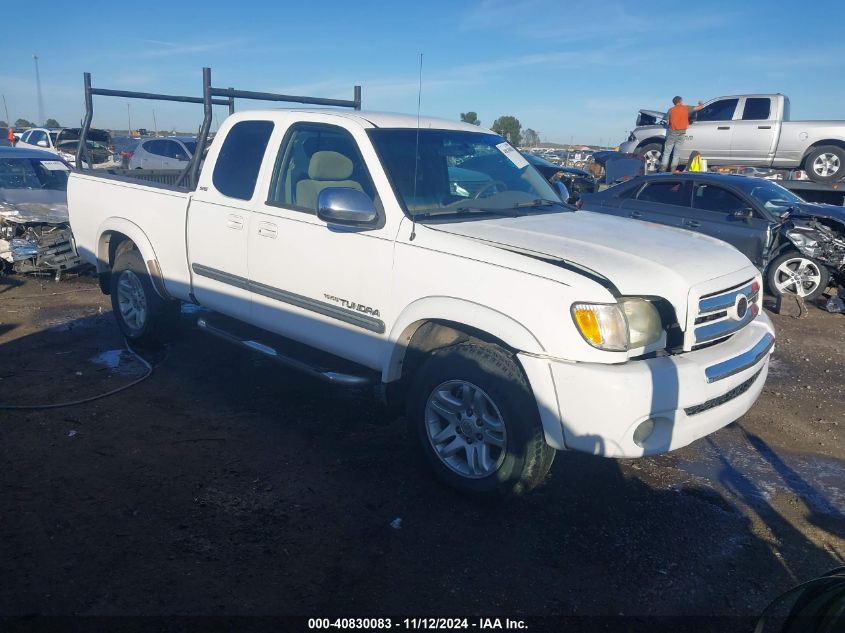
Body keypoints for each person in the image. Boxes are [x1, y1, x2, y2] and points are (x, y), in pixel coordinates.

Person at [659, 96, 704, 173]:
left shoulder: (670, 110)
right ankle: (673, 170)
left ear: (674, 103)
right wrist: (700, 103)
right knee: (676, 154)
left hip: (671, 133)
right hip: (681, 133)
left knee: (666, 153)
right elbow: (700, 107)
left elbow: (667, 122)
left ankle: (662, 170)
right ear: (681, 101)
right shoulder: (686, 108)